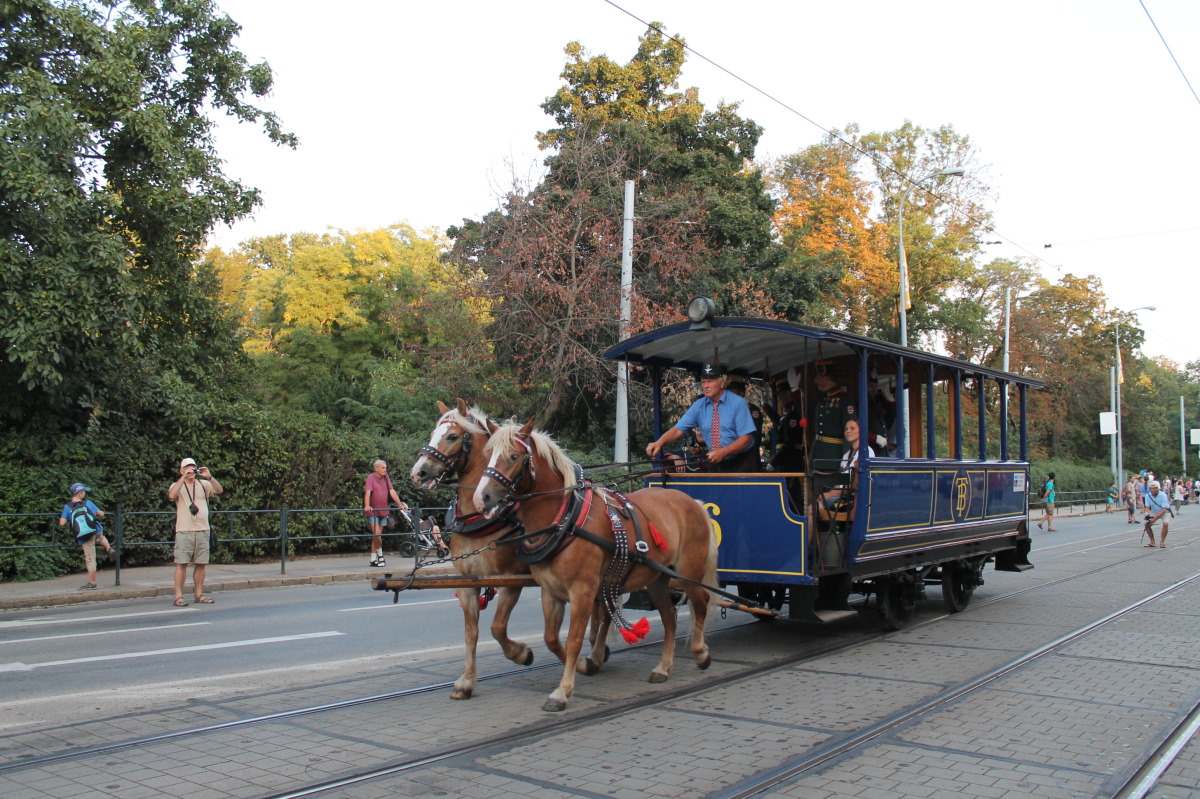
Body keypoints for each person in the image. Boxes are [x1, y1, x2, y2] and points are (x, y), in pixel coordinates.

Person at [646, 361, 758, 473]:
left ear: (722, 383)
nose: (705, 386)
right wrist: (659, 443)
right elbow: (677, 430)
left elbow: (745, 440)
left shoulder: (738, 403)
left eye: (710, 381)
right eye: (703, 382)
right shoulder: (699, 406)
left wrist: (722, 452)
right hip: (716, 460)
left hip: (743, 460)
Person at [168, 457, 223, 606]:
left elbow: (219, 490)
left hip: (203, 530)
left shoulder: (203, 484)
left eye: (193, 467)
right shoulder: (177, 485)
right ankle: (178, 596)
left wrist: (209, 476)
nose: (191, 470)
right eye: (187, 467)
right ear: (181, 470)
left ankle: (198, 594)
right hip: (184, 531)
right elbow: (172, 496)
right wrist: (183, 478)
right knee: (182, 563)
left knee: (201, 563)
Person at [59, 482, 113, 590]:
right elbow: (101, 513)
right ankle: (109, 548)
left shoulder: (67, 507)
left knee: (90, 559)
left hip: (84, 535)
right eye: (83, 492)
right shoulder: (88, 503)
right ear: (79, 493)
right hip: (94, 530)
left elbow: (62, 523)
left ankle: (92, 583)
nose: (84, 493)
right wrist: (98, 512)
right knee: (100, 537)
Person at [809, 366, 853, 471]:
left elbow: (849, 427)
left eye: (818, 378)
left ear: (827, 379)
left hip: (834, 454)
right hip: (818, 453)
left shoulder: (844, 399)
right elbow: (806, 412)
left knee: (832, 486)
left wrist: (846, 455)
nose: (815, 381)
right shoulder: (821, 398)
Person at [364, 459, 406, 567]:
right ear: (376, 468)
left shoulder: (386, 478)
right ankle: (381, 556)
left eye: (385, 468)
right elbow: (368, 492)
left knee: (377, 536)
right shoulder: (371, 477)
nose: (384, 470)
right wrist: (367, 505)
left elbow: (392, 491)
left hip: (383, 510)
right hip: (373, 511)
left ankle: (373, 560)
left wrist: (400, 504)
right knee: (376, 534)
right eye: (382, 468)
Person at [820, 420, 867, 510]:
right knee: (818, 502)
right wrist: (831, 492)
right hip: (845, 495)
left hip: (857, 499)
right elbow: (842, 482)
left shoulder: (865, 452)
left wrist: (831, 494)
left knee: (813, 509)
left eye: (852, 428)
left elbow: (855, 484)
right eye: (846, 429)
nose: (848, 431)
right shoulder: (847, 454)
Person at [725, 376, 765, 463]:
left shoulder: (751, 410)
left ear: (741, 394)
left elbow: (754, 438)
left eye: (732, 392)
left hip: (748, 462)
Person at [1143, 480, 1172, 547]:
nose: (1152, 490)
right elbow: (1147, 506)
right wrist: (1146, 514)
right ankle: (1152, 541)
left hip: (1164, 511)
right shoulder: (1148, 495)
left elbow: (1164, 510)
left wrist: (1155, 518)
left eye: (1153, 488)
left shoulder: (1163, 495)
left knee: (1165, 524)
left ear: (1157, 488)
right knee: (1147, 524)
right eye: (1150, 489)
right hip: (1154, 511)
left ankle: (1162, 542)